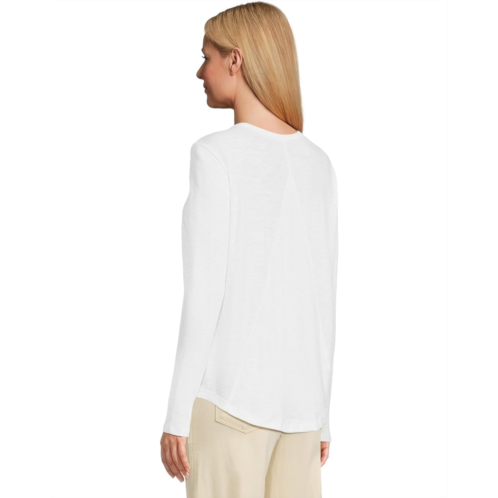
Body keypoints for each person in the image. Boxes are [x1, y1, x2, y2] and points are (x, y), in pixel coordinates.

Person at [160, 2, 338, 497]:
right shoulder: (319, 164)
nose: (201, 72)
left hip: (229, 405)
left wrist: (176, 413)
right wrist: (322, 414)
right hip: (301, 413)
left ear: (235, 59)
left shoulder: (215, 155)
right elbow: (324, 299)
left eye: (207, 57)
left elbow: (204, 294)